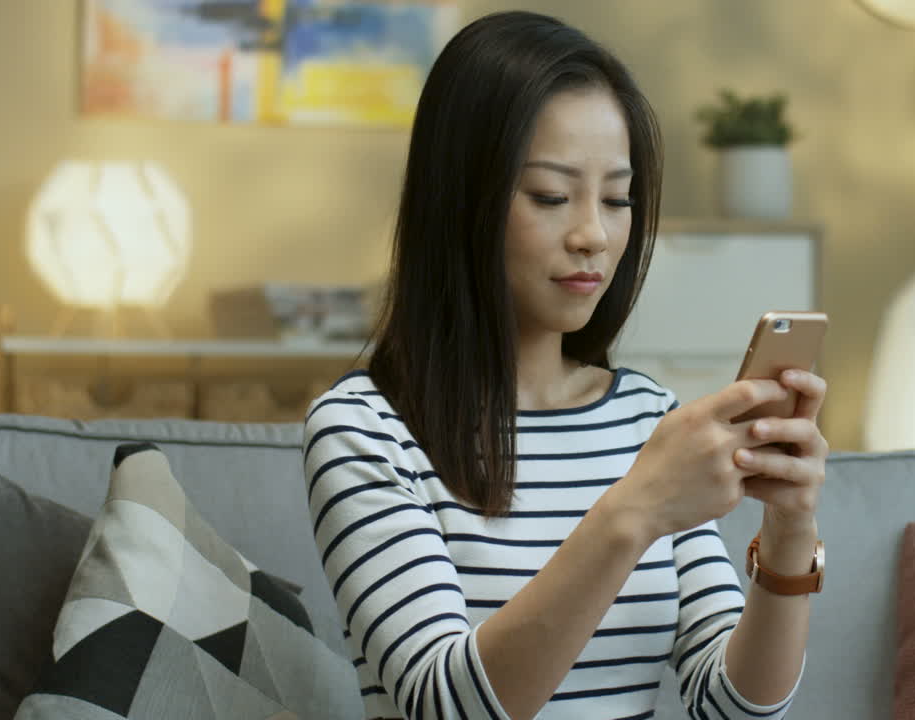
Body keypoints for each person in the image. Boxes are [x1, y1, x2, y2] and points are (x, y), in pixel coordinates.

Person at [303, 10, 828, 720]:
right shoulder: (366, 429)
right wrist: (633, 510)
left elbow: (733, 707)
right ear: (463, 200)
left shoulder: (647, 418)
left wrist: (791, 537)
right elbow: (447, 707)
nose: (593, 234)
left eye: (617, 199)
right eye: (551, 196)